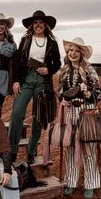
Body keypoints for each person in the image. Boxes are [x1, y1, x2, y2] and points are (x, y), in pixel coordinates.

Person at [9, 10, 61, 164]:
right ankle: (12, 150)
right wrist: (16, 81)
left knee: (38, 117)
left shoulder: (52, 43)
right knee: (17, 112)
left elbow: (58, 63)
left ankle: (31, 152)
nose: (38, 25)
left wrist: (49, 70)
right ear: (32, 25)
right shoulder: (25, 40)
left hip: (43, 81)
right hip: (26, 79)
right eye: (36, 23)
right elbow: (18, 61)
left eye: (41, 23)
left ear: (45, 25)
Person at [58, 37, 101, 199]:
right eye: (71, 50)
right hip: (70, 112)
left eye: (77, 50)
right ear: (68, 52)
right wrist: (61, 99)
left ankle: (91, 184)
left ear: (81, 53)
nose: (73, 53)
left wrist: (88, 93)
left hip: (86, 112)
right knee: (70, 147)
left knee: (89, 149)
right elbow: (60, 91)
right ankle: (70, 181)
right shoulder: (64, 70)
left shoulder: (89, 69)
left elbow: (100, 93)